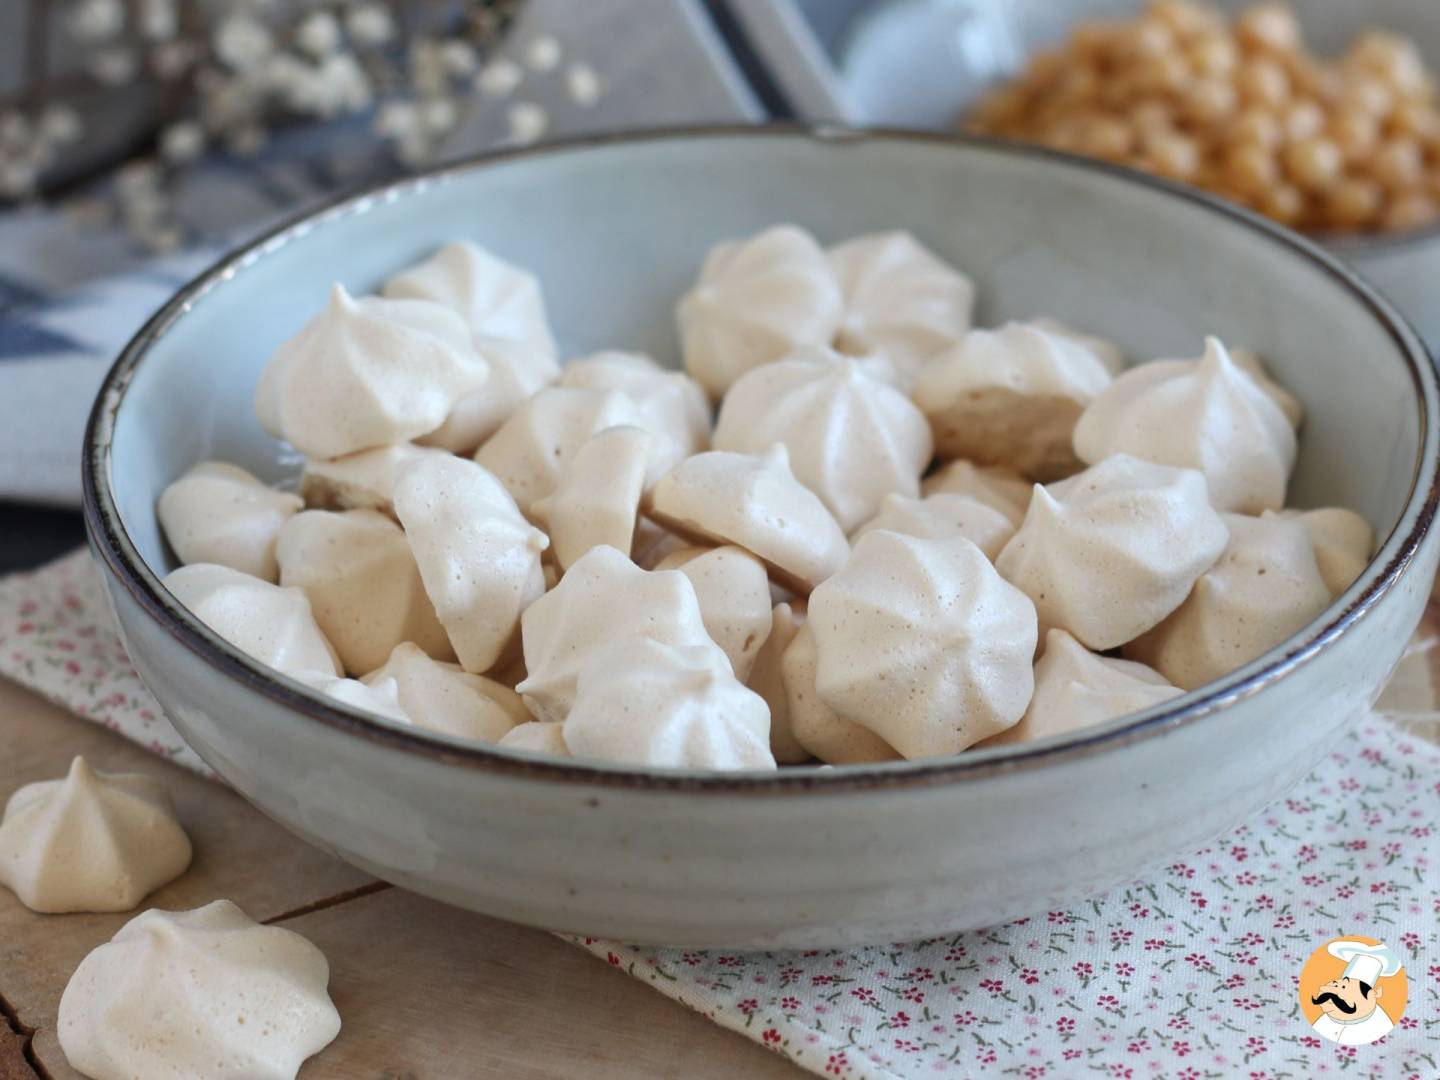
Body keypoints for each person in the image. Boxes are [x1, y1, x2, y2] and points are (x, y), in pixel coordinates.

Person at [1309, 940, 1402, 1046]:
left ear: (1373, 994)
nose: (1328, 990)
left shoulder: (1378, 1027)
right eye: (1335, 984)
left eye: (1344, 987)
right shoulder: (1324, 1020)